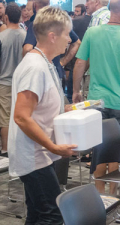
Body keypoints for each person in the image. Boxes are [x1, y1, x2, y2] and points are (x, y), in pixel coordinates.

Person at [9, 6, 76, 225]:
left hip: (39, 153)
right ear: (52, 36)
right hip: (34, 156)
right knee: (52, 215)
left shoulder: (44, 62)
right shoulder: (35, 67)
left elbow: (38, 106)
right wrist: (53, 147)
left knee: (38, 214)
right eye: (66, 34)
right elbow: (21, 116)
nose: (69, 40)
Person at [73, 0, 120, 195]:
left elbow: (80, 64)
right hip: (119, 104)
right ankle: (112, 197)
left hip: (97, 102)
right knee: (116, 152)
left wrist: (76, 91)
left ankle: (99, 199)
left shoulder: (93, 33)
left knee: (99, 152)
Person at [0, 3, 26, 156]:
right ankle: (19, 148)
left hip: (3, 82)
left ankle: (5, 149)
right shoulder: (26, 35)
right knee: (21, 116)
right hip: (22, 83)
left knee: (4, 118)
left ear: (6, 17)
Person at [22, 0, 81, 82]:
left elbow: (27, 48)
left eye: (28, 10)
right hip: (55, 72)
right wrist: (62, 62)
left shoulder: (36, 23)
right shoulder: (58, 21)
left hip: (42, 75)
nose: (68, 40)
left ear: (34, 6)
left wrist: (28, 66)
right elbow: (77, 43)